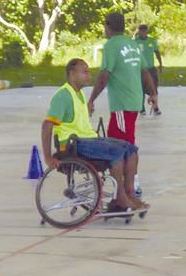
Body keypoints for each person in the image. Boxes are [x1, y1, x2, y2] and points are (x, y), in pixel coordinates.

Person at [42, 58, 148, 214]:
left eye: (89, 72)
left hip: (87, 139)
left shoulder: (79, 95)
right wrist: (48, 157)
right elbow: (47, 125)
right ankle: (120, 198)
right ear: (72, 74)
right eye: (84, 72)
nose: (89, 76)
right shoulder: (63, 95)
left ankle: (129, 193)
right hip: (73, 144)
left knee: (130, 149)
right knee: (116, 153)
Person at [90, 9, 155, 152]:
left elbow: (104, 76)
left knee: (117, 144)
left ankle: (127, 174)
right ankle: (131, 174)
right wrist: (153, 93)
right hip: (135, 100)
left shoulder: (111, 45)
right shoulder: (132, 44)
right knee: (127, 139)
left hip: (122, 104)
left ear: (107, 26)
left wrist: (91, 99)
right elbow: (145, 71)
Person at [139, 24, 164, 115]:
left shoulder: (152, 41)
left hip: (151, 68)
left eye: (144, 29)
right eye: (141, 30)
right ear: (139, 31)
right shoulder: (135, 42)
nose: (143, 31)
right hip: (140, 69)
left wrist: (160, 64)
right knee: (140, 88)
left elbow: (157, 52)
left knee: (154, 88)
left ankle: (155, 107)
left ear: (147, 31)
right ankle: (141, 108)